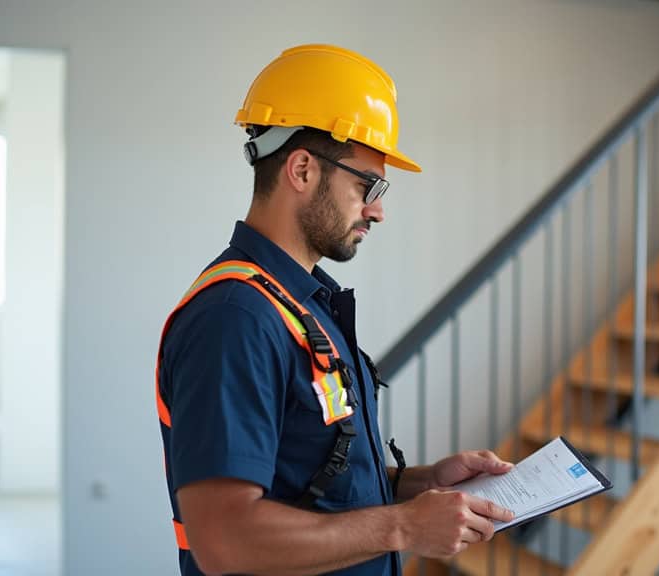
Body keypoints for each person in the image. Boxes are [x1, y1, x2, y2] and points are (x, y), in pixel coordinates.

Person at [154, 44, 515, 576]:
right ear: (301, 169)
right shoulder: (236, 318)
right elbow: (223, 540)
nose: (378, 210)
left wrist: (424, 484)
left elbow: (312, 482)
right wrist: (404, 526)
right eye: (367, 185)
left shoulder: (300, 306)